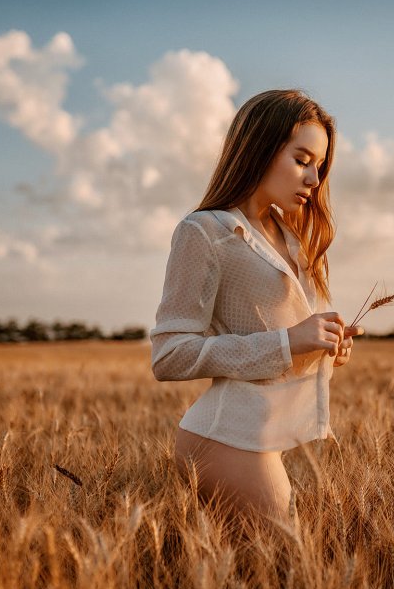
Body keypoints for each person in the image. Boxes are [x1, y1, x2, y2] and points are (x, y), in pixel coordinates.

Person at [150, 89, 363, 530]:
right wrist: (288, 341)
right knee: (283, 560)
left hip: (267, 436)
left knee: (266, 568)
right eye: (302, 160)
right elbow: (169, 355)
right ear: (259, 148)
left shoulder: (295, 238)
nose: (314, 179)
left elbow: (284, 343)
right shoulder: (204, 231)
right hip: (226, 437)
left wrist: (325, 347)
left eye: (320, 166)